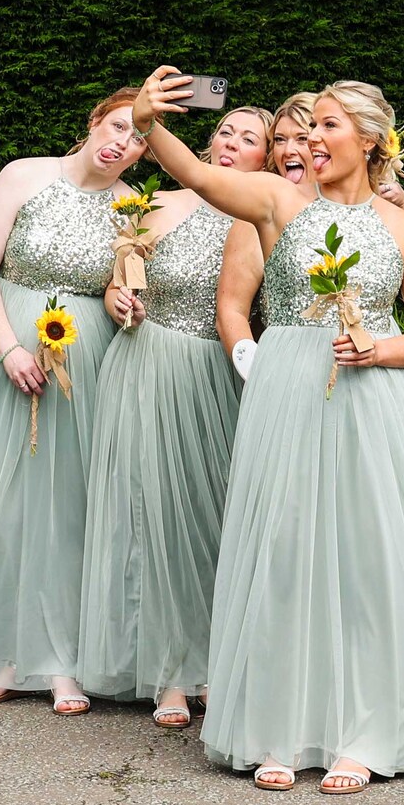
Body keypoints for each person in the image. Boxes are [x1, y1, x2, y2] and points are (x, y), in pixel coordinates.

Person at [131, 67, 404, 791]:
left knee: (366, 559)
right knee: (282, 552)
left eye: (326, 125)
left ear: (371, 140)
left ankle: (368, 731)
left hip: (370, 400)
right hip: (286, 390)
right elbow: (191, 168)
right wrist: (146, 119)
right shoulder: (280, 202)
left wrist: (376, 348)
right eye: (307, 125)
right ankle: (276, 725)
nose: (307, 139)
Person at [0, 88, 148, 715]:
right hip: (7, 344)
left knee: (72, 506)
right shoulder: (25, 175)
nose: (122, 141)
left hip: (87, 358)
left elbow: (125, 287)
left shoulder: (131, 208)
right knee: (3, 503)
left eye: (138, 136)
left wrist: (120, 303)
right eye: (117, 125)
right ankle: (6, 656)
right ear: (93, 122)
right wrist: (10, 348)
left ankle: (63, 660)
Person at [78, 102, 273, 728]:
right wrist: (119, 300)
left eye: (249, 139)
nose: (231, 143)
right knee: (150, 514)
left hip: (216, 374)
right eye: (224, 130)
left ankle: (218, 661)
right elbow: (118, 284)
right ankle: (168, 673)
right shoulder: (155, 204)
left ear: (266, 159)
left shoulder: (262, 212)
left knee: (213, 515)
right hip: (145, 366)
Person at [216, 92, 404, 368]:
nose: (287, 150)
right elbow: (231, 309)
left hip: (368, 366)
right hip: (289, 365)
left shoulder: (382, 215)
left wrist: (401, 200)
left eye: (302, 138)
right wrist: (256, 370)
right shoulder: (263, 216)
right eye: (279, 140)